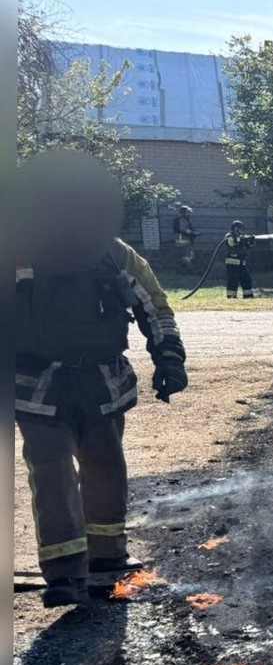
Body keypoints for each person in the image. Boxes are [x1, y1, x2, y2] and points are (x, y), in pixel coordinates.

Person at [13, 150, 189, 606]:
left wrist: (169, 359)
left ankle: (107, 557)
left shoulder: (114, 255)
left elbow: (155, 308)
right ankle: (65, 573)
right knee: (51, 475)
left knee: (106, 468)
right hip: (37, 387)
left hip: (102, 384)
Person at [221, 220, 256, 299]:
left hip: (242, 263)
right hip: (232, 263)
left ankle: (248, 296)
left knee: (246, 280)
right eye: (240, 229)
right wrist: (240, 239)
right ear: (235, 228)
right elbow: (231, 243)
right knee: (233, 280)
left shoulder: (242, 237)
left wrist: (251, 241)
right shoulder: (229, 235)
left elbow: (248, 246)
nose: (241, 231)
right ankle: (231, 296)